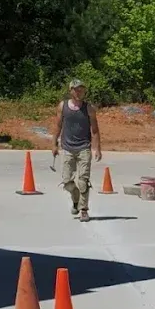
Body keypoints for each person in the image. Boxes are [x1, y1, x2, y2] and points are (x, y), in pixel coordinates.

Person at [51, 79, 102, 222]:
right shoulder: (63, 106)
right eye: (76, 89)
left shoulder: (89, 108)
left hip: (84, 148)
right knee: (67, 181)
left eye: (81, 89)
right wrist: (54, 144)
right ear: (71, 91)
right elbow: (58, 126)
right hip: (67, 148)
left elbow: (95, 130)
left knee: (83, 181)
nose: (79, 92)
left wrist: (97, 148)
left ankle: (84, 210)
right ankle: (76, 199)